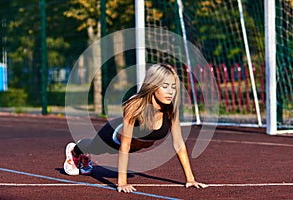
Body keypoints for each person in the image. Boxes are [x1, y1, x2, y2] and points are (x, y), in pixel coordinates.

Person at [63, 63, 208, 192]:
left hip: (136, 145)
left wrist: (190, 179)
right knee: (93, 147)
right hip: (114, 138)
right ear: (153, 85)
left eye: (173, 87)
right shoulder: (135, 105)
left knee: (96, 149)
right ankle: (74, 151)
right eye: (165, 86)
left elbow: (178, 143)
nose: (170, 92)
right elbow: (125, 145)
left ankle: (84, 155)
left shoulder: (171, 109)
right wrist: (122, 182)